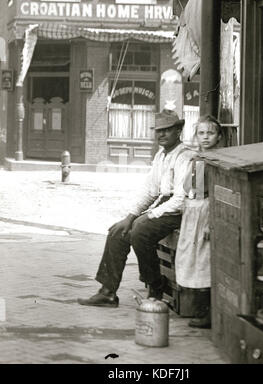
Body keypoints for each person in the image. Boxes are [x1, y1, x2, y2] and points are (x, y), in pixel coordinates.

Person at [78, 109, 194, 308]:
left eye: (167, 130)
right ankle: (108, 292)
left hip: (180, 211)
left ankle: (155, 286)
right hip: (163, 206)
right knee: (118, 231)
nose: (162, 135)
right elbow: (150, 191)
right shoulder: (161, 156)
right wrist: (129, 217)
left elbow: (181, 200)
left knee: (140, 231)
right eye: (158, 131)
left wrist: (148, 216)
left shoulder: (185, 156)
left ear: (178, 130)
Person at [175, 115, 225, 328]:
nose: (205, 137)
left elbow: (217, 193)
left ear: (219, 136)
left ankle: (207, 312)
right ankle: (196, 307)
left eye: (210, 133)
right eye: (201, 133)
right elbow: (187, 186)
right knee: (190, 258)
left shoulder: (219, 160)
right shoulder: (195, 159)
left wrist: (210, 222)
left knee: (204, 260)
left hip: (206, 210)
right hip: (192, 210)